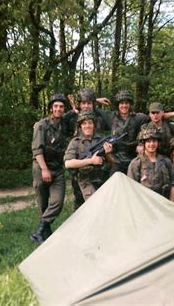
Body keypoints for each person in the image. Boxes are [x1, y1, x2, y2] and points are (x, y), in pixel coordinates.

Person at [96, 89, 174, 175]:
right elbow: (89, 110)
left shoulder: (138, 118)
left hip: (133, 156)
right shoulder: (110, 116)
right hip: (115, 157)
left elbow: (156, 116)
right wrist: (96, 100)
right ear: (118, 105)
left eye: (126, 103)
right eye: (122, 103)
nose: (124, 106)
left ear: (130, 104)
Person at [30, 93, 72, 244]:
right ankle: (45, 234)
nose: (58, 109)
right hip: (41, 166)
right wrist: (44, 169)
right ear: (51, 108)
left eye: (61, 107)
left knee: (57, 201)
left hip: (57, 167)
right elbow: (37, 150)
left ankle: (38, 232)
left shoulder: (64, 123)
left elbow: (79, 110)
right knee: (43, 203)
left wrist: (96, 100)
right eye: (56, 106)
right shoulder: (41, 125)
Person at [66, 88, 111, 210]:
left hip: (98, 167)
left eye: (89, 103)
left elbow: (115, 121)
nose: (86, 106)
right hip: (79, 163)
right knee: (80, 199)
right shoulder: (72, 118)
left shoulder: (99, 118)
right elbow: (57, 121)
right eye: (83, 103)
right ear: (79, 104)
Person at [64, 111, 114, 201]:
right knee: (94, 205)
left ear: (94, 125)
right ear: (80, 126)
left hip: (103, 179)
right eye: (84, 123)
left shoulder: (102, 140)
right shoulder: (75, 142)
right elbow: (68, 163)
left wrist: (108, 153)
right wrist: (91, 161)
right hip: (86, 180)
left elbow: (113, 163)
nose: (87, 126)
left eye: (90, 123)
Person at [127, 126, 174, 199]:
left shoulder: (166, 161)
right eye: (148, 141)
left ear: (158, 143)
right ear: (144, 143)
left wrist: (171, 203)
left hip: (163, 202)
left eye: (154, 141)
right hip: (144, 203)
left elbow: (172, 185)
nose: (152, 144)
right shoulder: (136, 163)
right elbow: (131, 188)